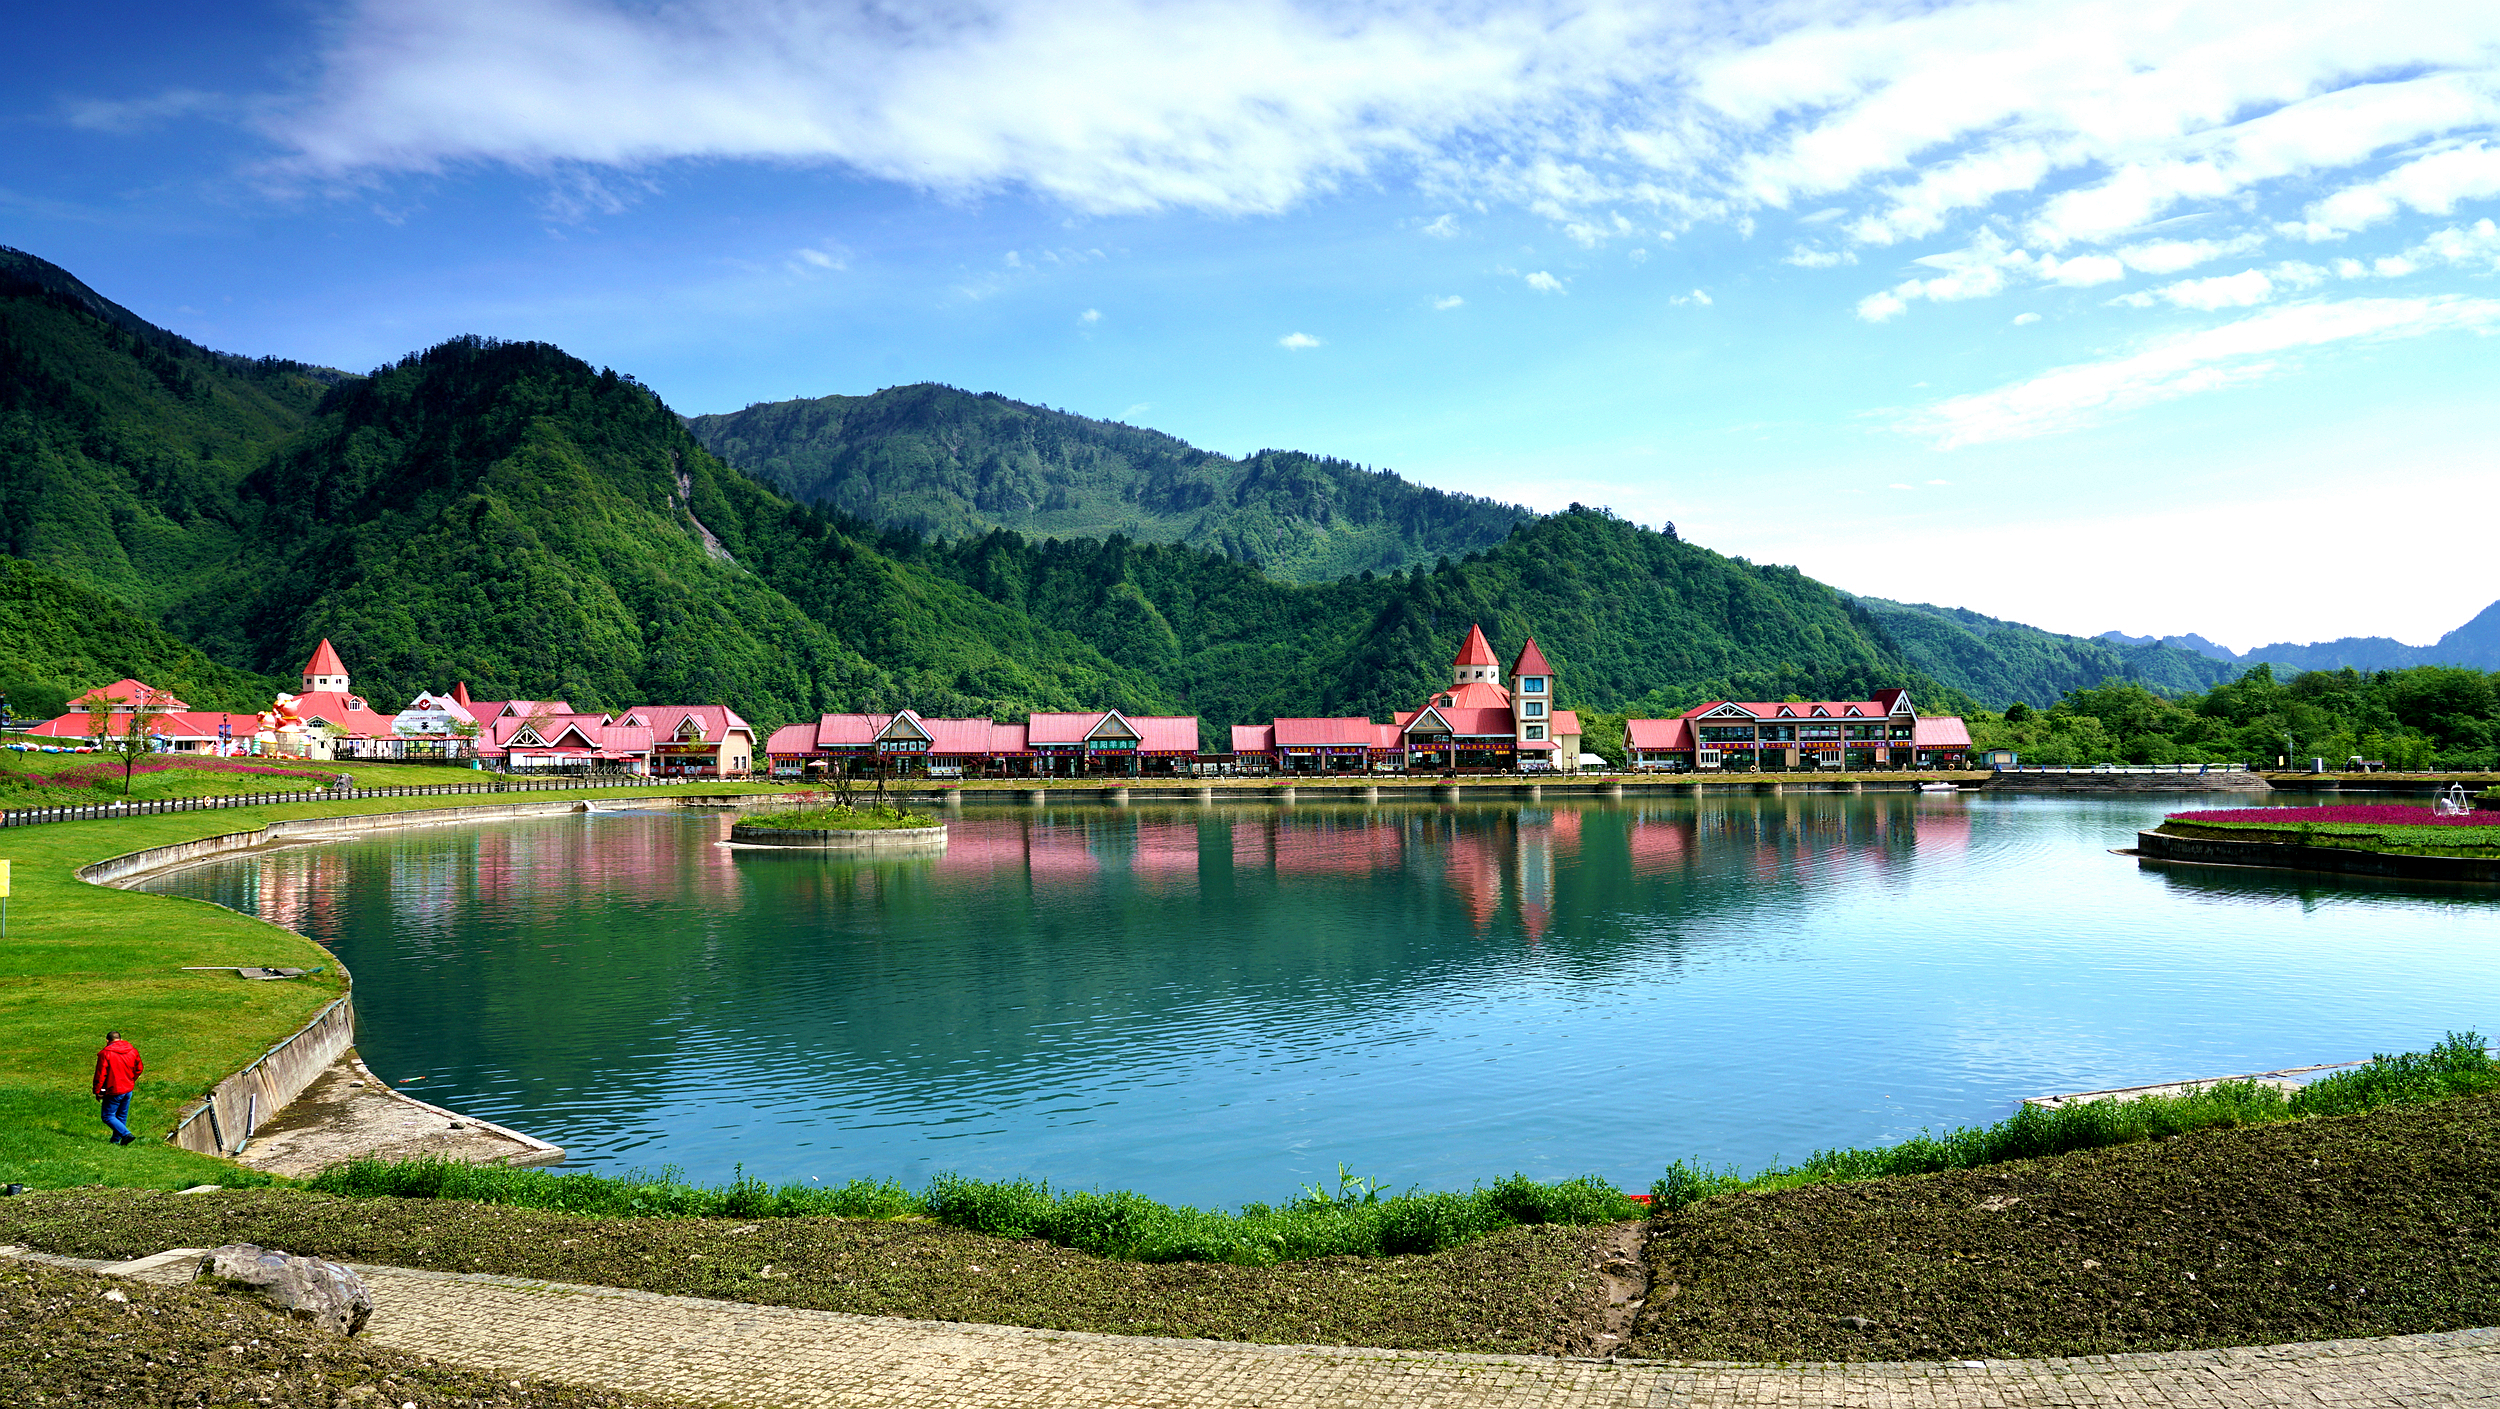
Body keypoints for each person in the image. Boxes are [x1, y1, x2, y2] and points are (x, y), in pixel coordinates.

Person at [93, 1031, 143, 1146]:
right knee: (121, 1115)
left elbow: (101, 1074)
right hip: (128, 1088)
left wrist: (97, 1090)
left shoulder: (105, 1054)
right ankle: (116, 1140)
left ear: (107, 1040)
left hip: (114, 1089)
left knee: (107, 1116)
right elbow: (139, 1068)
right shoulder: (132, 1051)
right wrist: (131, 1079)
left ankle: (126, 1134)